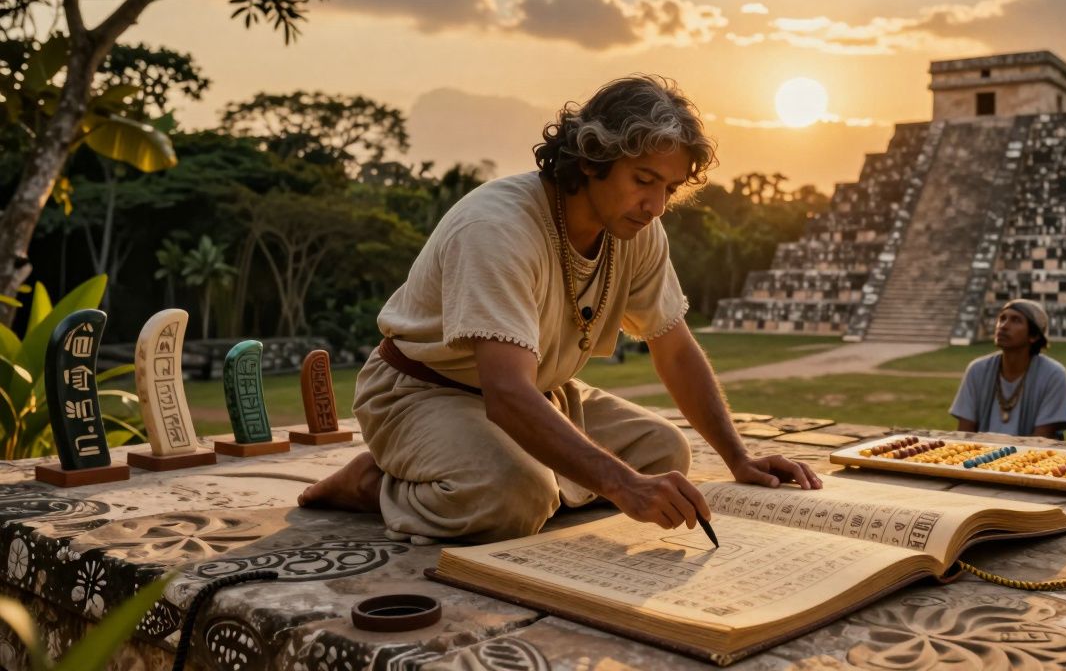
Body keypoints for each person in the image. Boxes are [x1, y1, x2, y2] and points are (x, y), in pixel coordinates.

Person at [299, 75, 822, 544]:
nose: (656, 205)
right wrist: (620, 484)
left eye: (669, 187)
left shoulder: (636, 230)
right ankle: (377, 483)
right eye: (643, 179)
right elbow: (505, 394)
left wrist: (739, 457)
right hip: (423, 393)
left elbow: (676, 350)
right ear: (592, 158)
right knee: (513, 496)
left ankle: (501, 469)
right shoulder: (498, 227)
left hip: (543, 396)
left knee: (664, 454)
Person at [951, 300, 1066, 439]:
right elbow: (964, 434)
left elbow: (1041, 440)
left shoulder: (1054, 375)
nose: (1003, 326)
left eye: (1016, 320)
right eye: (1002, 318)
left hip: (1029, 458)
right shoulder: (977, 370)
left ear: (1034, 336)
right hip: (979, 457)